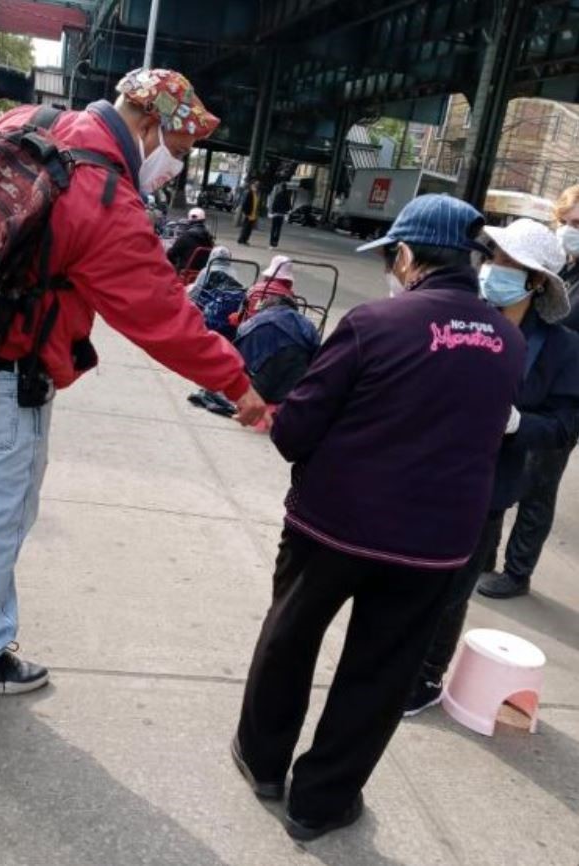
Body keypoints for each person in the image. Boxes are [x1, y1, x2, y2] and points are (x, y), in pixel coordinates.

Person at [0, 67, 266, 695]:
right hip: (4, 377)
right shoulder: (106, 195)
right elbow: (164, 315)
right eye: (179, 151)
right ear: (152, 124)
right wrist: (237, 384)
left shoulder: (24, 122)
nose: (175, 166)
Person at [231, 195, 525, 841]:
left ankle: (263, 762)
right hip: (438, 544)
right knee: (382, 670)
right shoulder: (509, 339)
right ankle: (321, 803)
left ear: (408, 255)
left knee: (290, 638)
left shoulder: (374, 323)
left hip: (336, 525)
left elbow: (297, 428)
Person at [406, 218, 579, 714]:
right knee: (406, 581)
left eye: (511, 265)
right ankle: (391, 663)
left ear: (537, 282)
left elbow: (566, 425)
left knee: (452, 591)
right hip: (426, 472)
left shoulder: (562, 348)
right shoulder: (459, 318)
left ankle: (425, 678)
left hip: (487, 486)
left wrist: (517, 424)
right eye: (493, 259)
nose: (493, 271)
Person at [477, 187, 579, 598]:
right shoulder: (560, 269)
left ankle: (517, 572)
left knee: (537, 483)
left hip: (560, 384)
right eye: (570, 222)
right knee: (500, 470)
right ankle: (483, 556)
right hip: (526, 376)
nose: (572, 230)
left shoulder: (561, 336)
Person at [166, 206, 214, 272]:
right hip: (202, 272)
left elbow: (171, 254)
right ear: (203, 221)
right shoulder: (208, 237)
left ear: (189, 220)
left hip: (184, 271)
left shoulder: (186, 235)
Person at [269, 184, 292, 249]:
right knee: (278, 230)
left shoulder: (278, 195)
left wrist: (272, 212)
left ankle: (271, 243)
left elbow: (274, 204)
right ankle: (276, 243)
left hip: (276, 214)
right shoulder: (287, 196)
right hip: (282, 215)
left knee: (273, 229)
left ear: (281, 188)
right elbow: (289, 206)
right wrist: (286, 211)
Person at [237, 179, 260, 245]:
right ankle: (241, 240)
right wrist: (245, 213)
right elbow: (245, 203)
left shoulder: (255, 193)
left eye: (257, 185)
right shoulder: (249, 193)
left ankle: (245, 239)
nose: (256, 186)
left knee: (249, 229)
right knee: (245, 228)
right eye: (255, 184)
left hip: (253, 214)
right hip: (248, 213)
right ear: (252, 185)